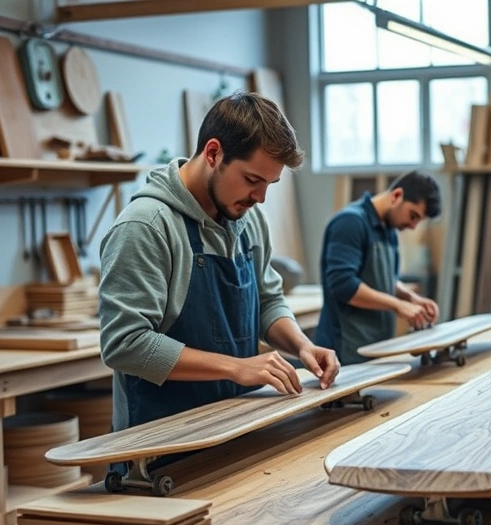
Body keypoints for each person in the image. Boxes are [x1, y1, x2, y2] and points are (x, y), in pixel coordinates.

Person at [99, 91, 340, 437]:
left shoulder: (248, 220)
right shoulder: (146, 227)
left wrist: (302, 345)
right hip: (161, 445)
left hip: (236, 431)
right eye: (252, 180)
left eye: (270, 184)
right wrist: (236, 368)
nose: (260, 198)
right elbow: (125, 344)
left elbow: (268, 303)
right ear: (213, 153)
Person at [315, 171, 442, 364]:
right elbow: (343, 285)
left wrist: (411, 298)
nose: (413, 226)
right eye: (413, 215)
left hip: (375, 345)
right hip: (345, 349)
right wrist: (398, 306)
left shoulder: (389, 229)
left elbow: (384, 278)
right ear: (397, 195)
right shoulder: (350, 223)